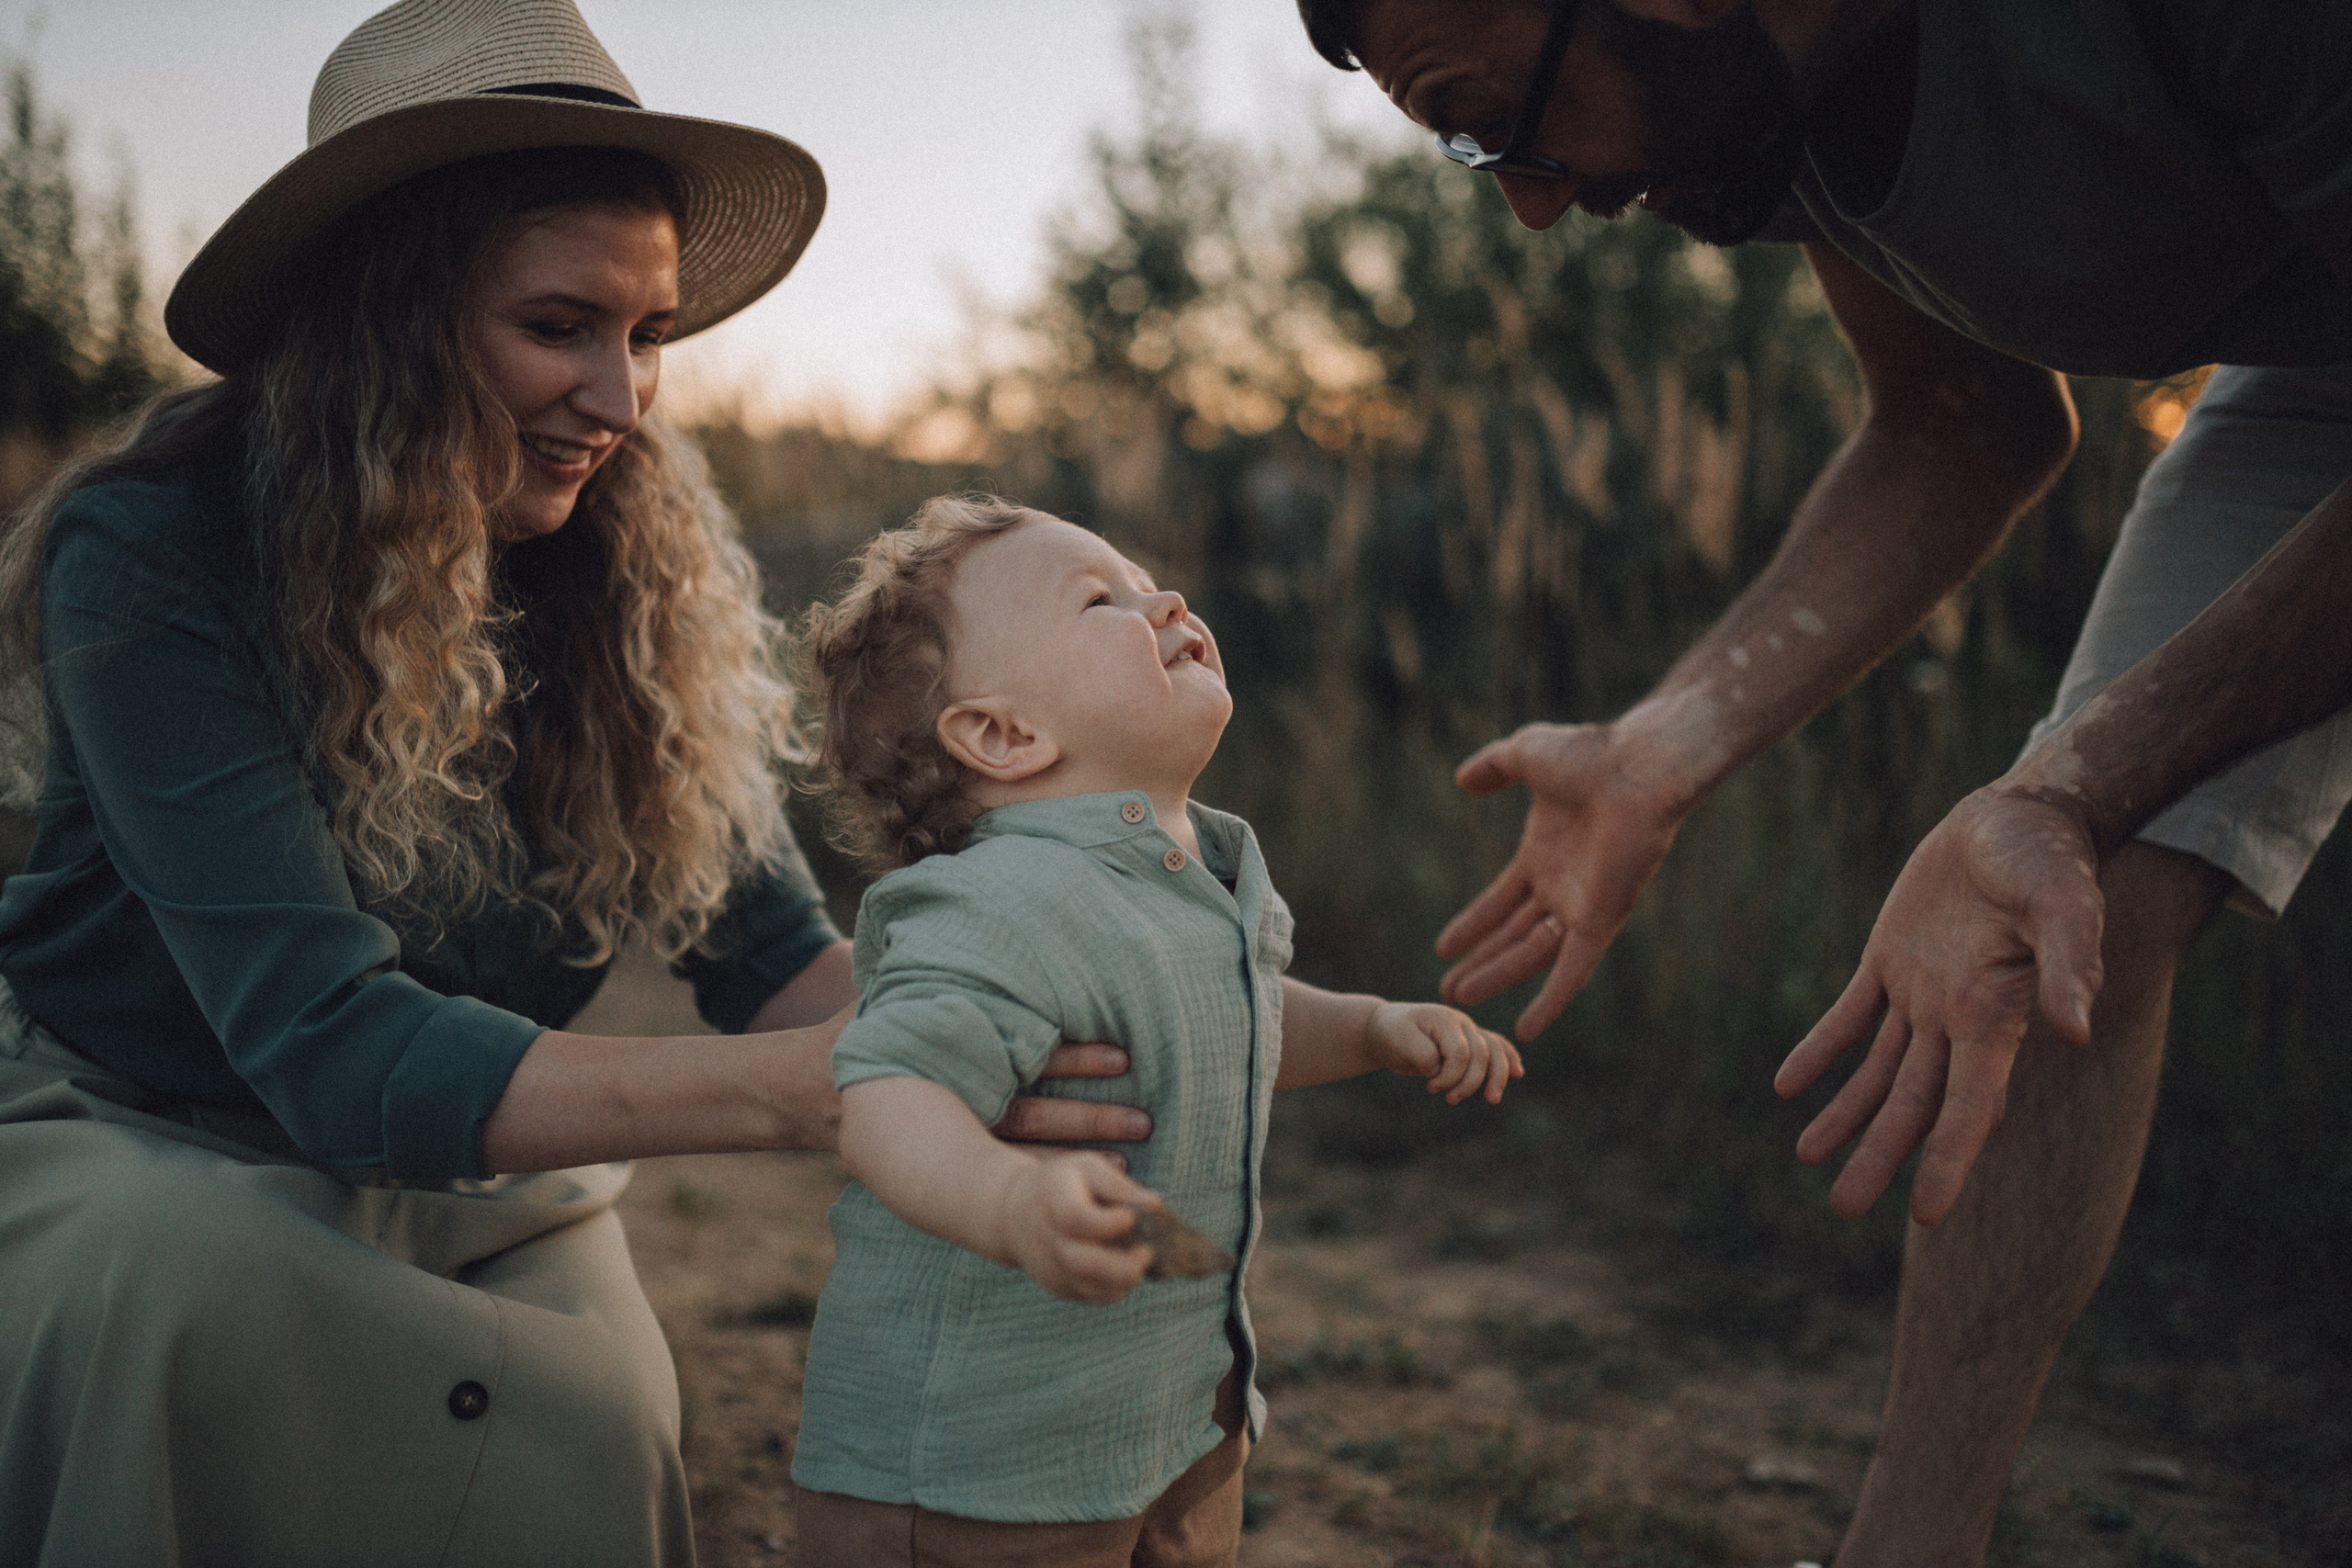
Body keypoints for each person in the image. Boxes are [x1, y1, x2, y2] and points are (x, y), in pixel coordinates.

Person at [0, 5, 1143, 1564]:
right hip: (148, 1130)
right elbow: (323, 1044)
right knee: (199, 1285)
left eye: (649, 333)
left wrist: (1025, 1030)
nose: (620, 398)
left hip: (467, 1164)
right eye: (560, 327)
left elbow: (772, 956)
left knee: (594, 1416)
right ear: (382, 318)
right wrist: (828, 1098)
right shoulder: (150, 548)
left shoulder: (619, 558)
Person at [1292, 0, 2352, 1563]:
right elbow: (1959, 421)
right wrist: (1670, 739)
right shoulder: (1767, 112)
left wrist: (2070, 781)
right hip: (2310, 357)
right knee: (2055, 908)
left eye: (1502, 122)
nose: (1527, 202)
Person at [786, 498, 1521, 1568]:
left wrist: (1369, 1028)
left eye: (1144, 578)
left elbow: (1233, 1017)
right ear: (1003, 734)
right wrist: (1007, 1196)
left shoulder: (1195, 873)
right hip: (979, 1468)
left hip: (1168, 1418)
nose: (1164, 599)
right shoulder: (997, 904)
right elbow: (886, 1095)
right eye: (1102, 600)